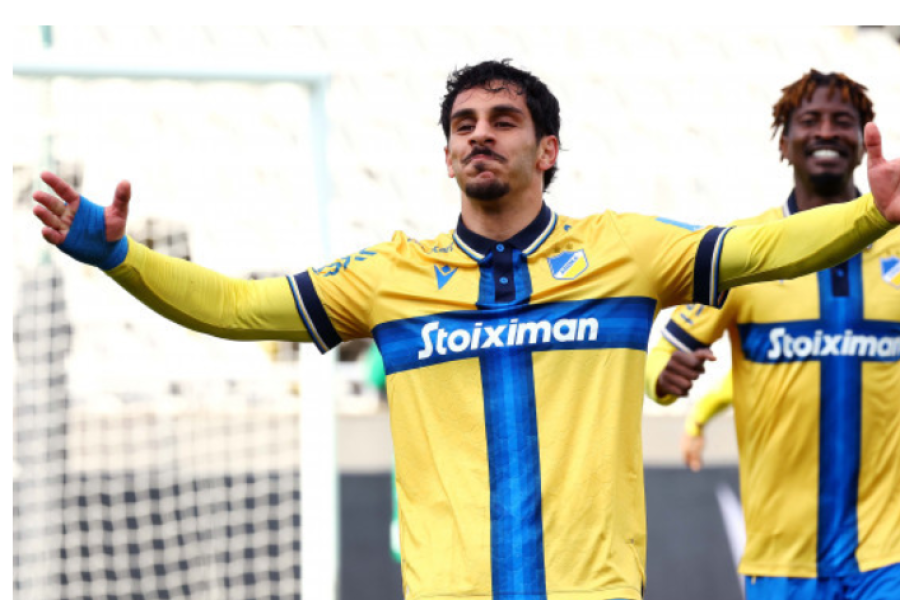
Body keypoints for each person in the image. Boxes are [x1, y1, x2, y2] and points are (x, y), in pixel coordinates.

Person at [32, 60, 900, 600]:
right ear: (447, 154)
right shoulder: (388, 277)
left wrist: (872, 216)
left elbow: (760, 247)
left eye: (503, 121)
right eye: (463, 126)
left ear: (547, 150)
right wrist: (121, 259)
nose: (480, 136)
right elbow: (235, 307)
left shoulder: (624, 253)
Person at [645, 70, 900, 600]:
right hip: (782, 563)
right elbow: (662, 359)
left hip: (889, 558)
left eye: (842, 121)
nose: (826, 131)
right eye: (810, 120)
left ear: (862, 142)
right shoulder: (744, 250)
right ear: (784, 143)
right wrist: (662, 375)